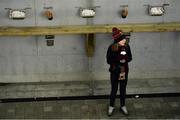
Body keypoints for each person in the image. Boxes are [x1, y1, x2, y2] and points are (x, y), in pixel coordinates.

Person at [106, 27, 132, 116]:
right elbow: (108, 61)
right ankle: (111, 106)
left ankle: (123, 106)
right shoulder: (112, 48)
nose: (124, 41)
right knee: (114, 89)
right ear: (117, 40)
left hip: (124, 71)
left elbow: (130, 58)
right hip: (114, 72)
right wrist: (118, 60)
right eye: (122, 39)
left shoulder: (127, 47)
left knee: (123, 89)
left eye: (124, 39)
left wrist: (125, 59)